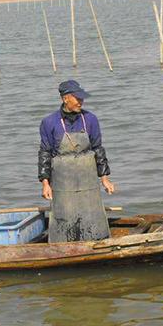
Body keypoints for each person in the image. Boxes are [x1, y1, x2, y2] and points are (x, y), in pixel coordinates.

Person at [38, 80, 115, 243]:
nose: (81, 101)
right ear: (65, 99)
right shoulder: (49, 122)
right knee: (65, 218)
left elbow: (98, 149)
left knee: (91, 214)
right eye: (77, 98)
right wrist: (45, 183)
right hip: (62, 182)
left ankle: (97, 240)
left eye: (82, 98)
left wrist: (105, 179)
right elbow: (45, 154)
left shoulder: (90, 119)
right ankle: (62, 244)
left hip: (88, 180)